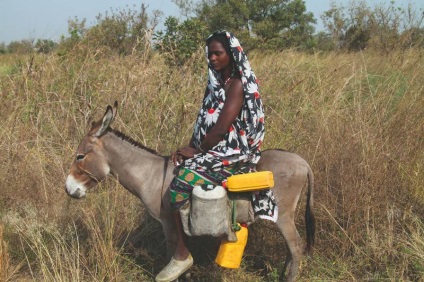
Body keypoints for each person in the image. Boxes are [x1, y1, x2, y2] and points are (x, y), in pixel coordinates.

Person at [155, 30, 277, 282]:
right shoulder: (217, 85)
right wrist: (194, 147)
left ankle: (181, 254)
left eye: (218, 53)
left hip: (234, 153)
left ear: (232, 55)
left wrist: (197, 151)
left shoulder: (237, 85)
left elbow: (221, 128)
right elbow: (206, 124)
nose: (212, 58)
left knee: (179, 183)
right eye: (209, 53)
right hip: (217, 148)